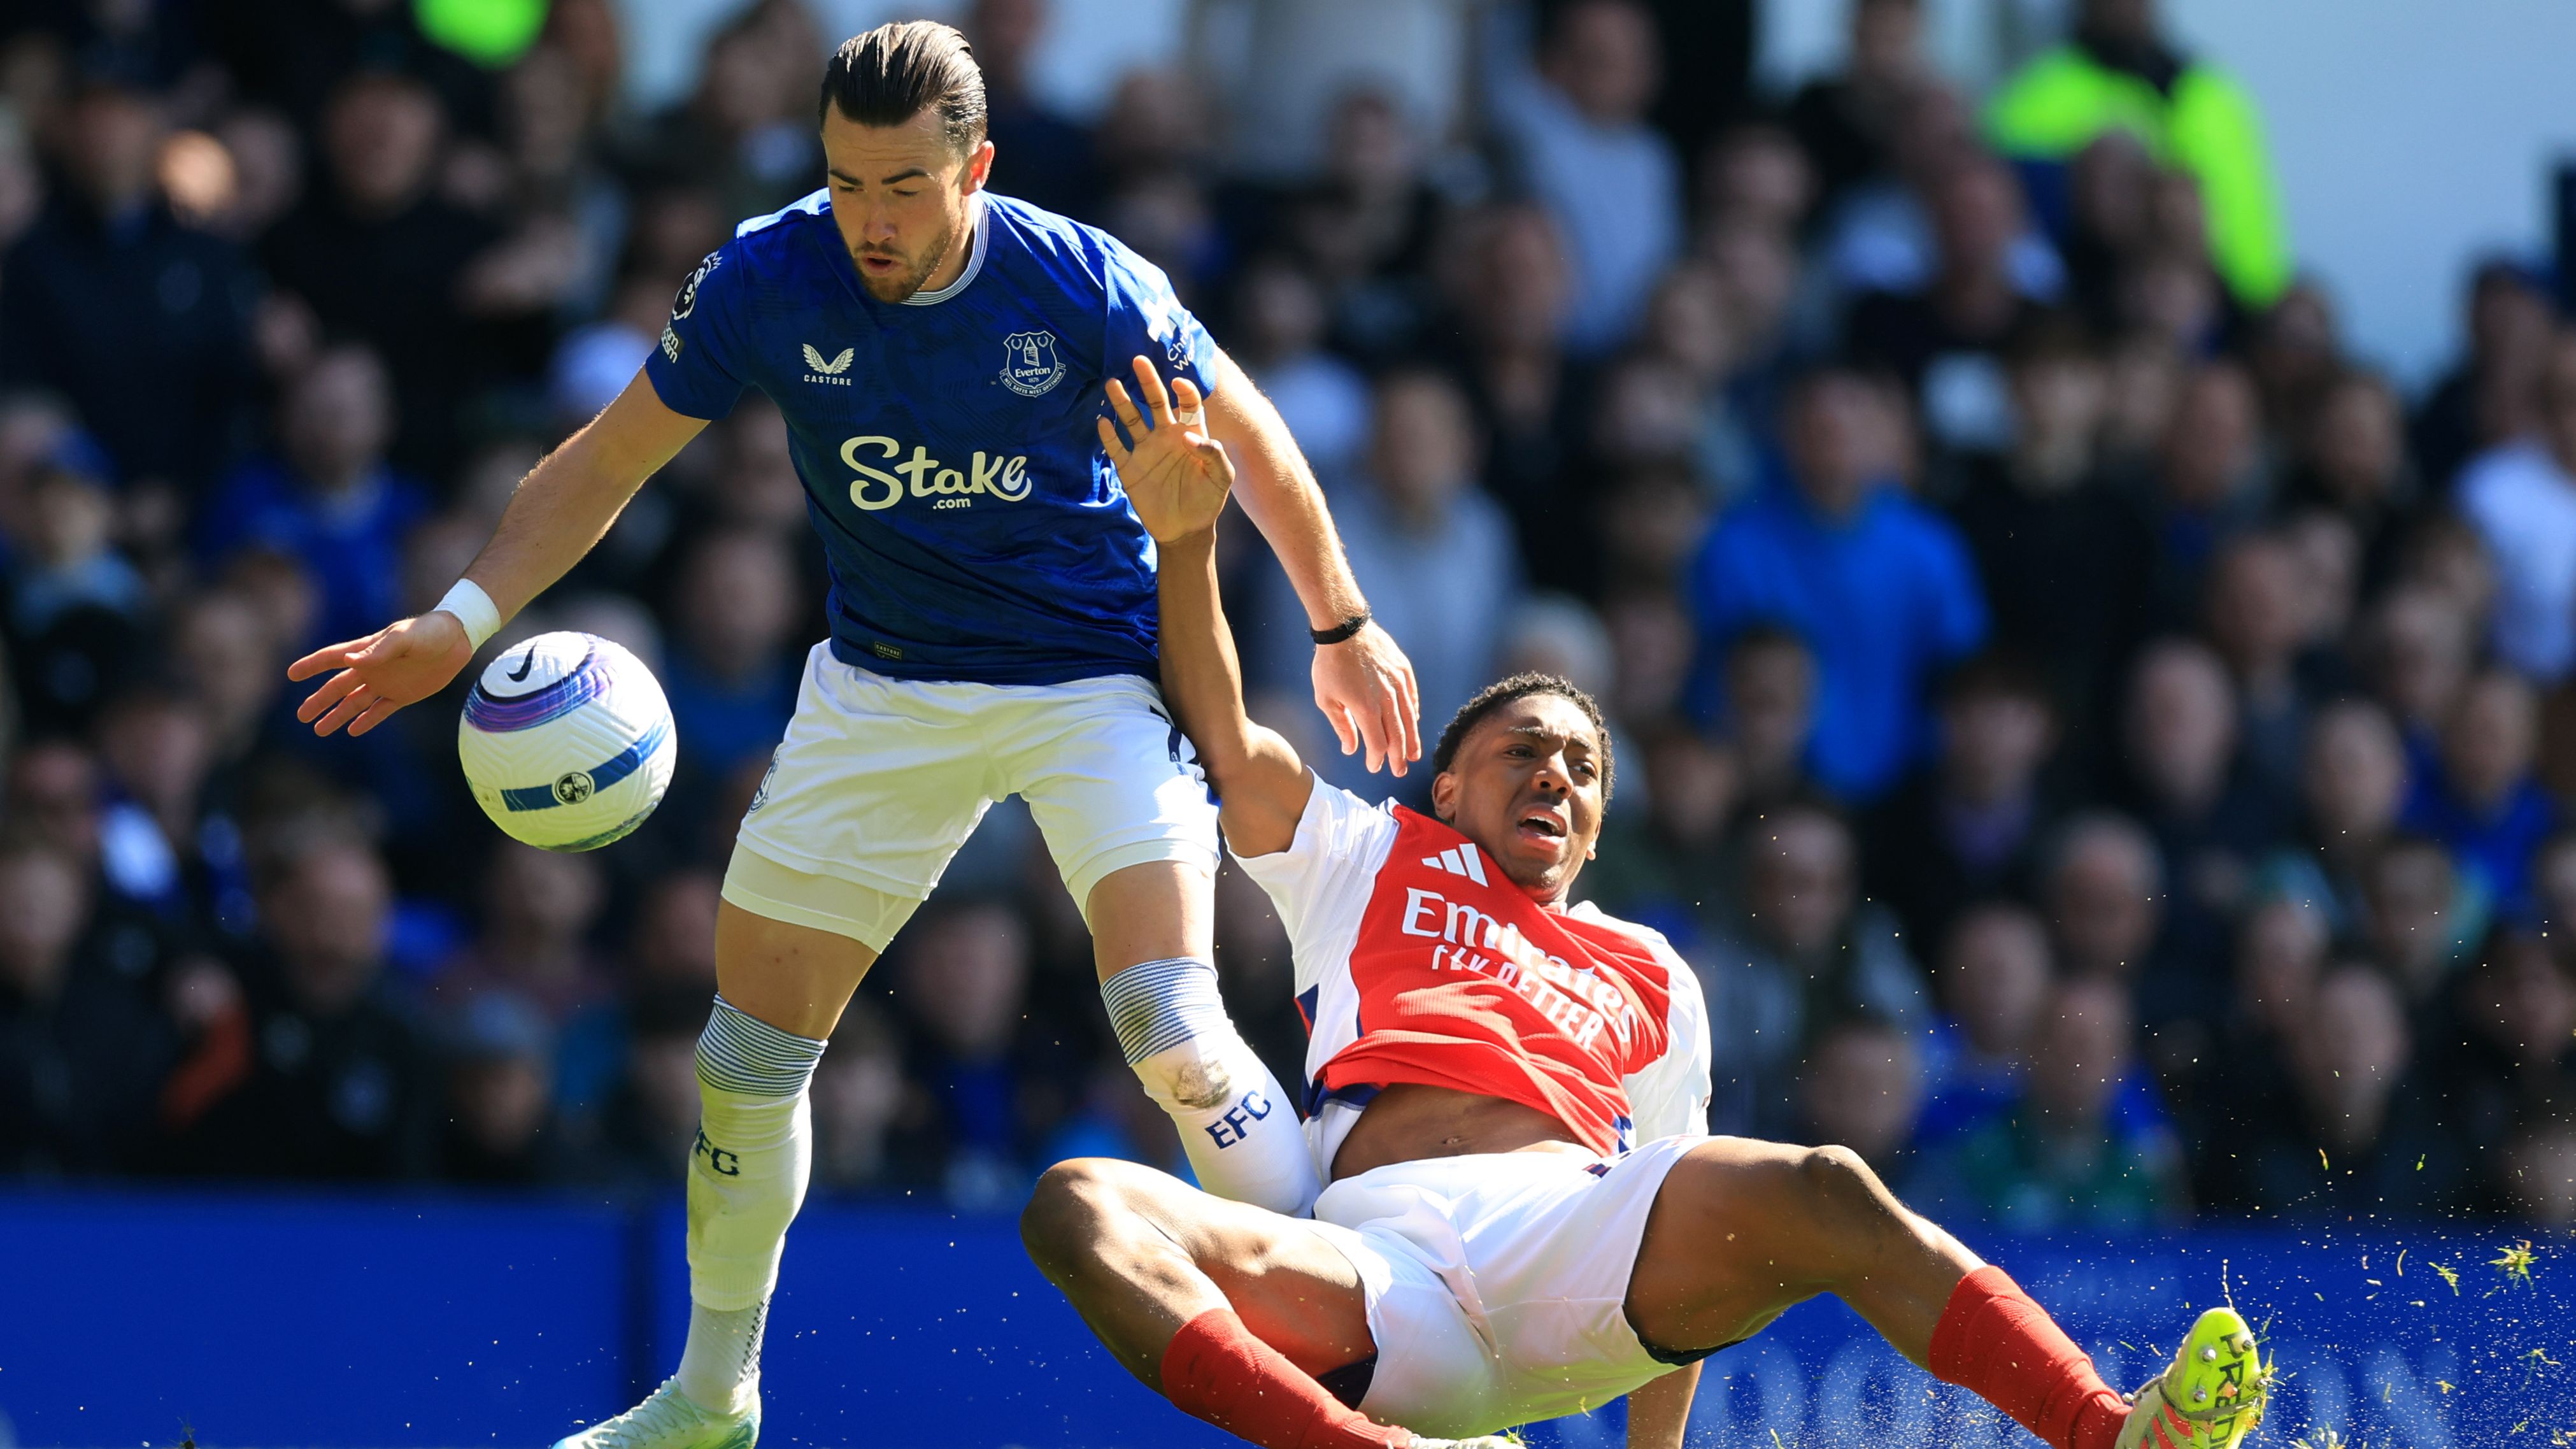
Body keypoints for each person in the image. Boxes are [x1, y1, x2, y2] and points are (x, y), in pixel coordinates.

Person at [281, 24, 1420, 1447]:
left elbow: (1243, 435)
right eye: (842, 182)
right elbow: (611, 457)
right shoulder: (771, 272)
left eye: (900, 186)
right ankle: (711, 1400)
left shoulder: (1076, 279)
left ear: (976, 168)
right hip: (882, 687)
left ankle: (1390, 1374)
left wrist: (1340, 622)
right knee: (744, 1065)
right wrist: (455, 622)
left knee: (1171, 1027)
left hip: (1096, 683)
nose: (866, 220)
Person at [1016, 355, 2271, 1449]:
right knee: (1078, 1207)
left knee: (1826, 1186)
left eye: (1584, 765)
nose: (1557, 771)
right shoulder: (1362, 855)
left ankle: (2111, 1432)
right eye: (1524, 748)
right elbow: (1228, 740)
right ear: (1445, 783)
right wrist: (1185, 545)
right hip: (1372, 1258)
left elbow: (1678, 1220)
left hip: (1574, 1247)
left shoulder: (1652, 973)